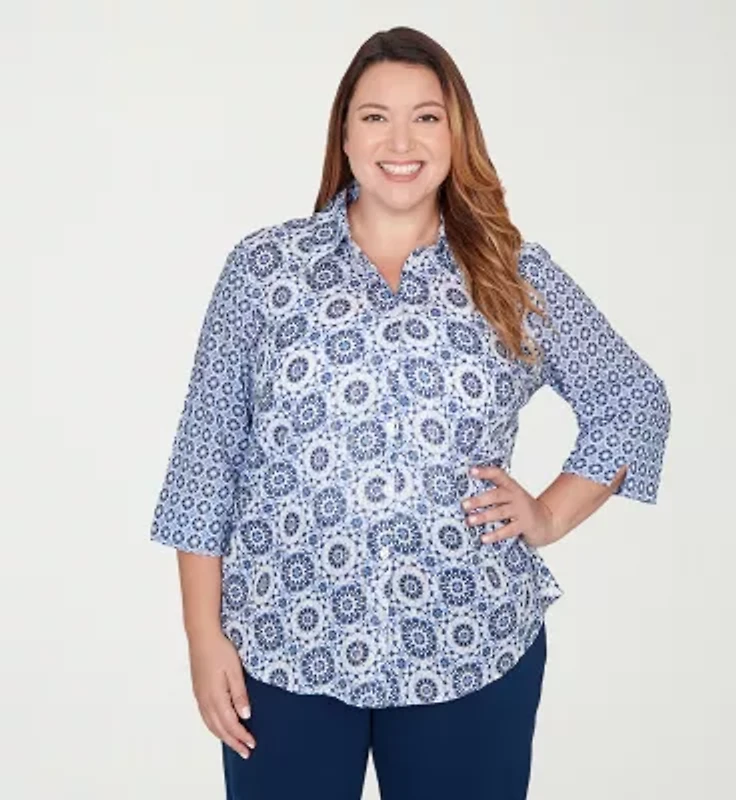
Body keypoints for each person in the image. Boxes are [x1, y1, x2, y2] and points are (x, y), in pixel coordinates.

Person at [149, 25, 671, 800]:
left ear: (456, 134)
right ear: (344, 134)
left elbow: (631, 399)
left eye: (426, 117)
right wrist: (203, 637)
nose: (401, 141)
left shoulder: (511, 276)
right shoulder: (266, 269)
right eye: (375, 117)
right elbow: (206, 459)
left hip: (469, 645)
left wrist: (549, 515)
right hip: (283, 642)